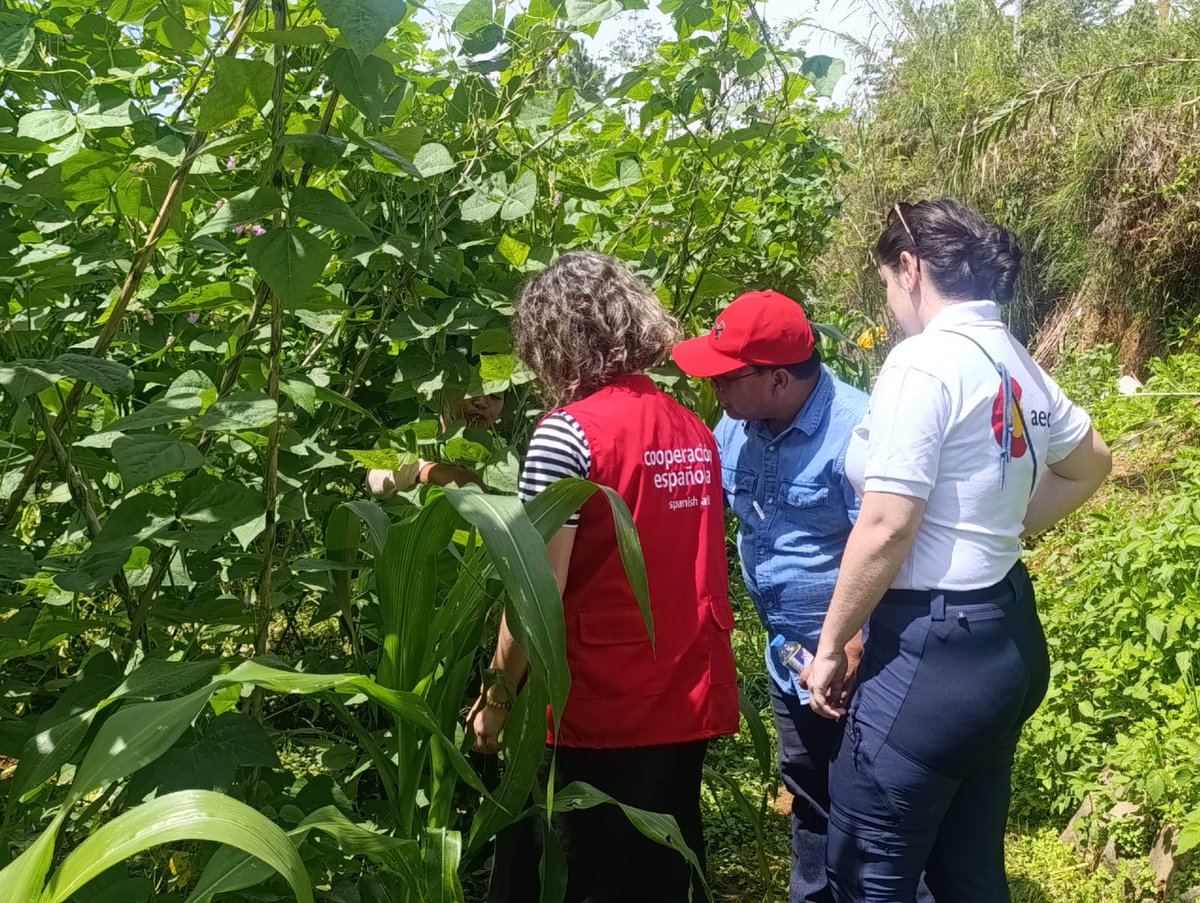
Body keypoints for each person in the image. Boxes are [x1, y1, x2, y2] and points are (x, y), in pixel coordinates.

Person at [806, 199, 1112, 902]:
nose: (890, 301)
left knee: (867, 874)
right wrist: (1006, 527)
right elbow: (1091, 460)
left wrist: (831, 643)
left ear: (911, 268)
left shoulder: (924, 362)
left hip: (930, 654)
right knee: (969, 874)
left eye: (886, 282)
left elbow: (886, 523)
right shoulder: (1013, 356)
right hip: (1005, 641)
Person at [469, 250, 740, 903]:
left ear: (551, 338)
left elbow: (538, 594)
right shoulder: (693, 428)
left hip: (594, 711)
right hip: (682, 698)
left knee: (568, 878)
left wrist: (497, 700)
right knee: (659, 872)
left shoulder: (567, 436)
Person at [674, 291, 880, 903]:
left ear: (780, 378)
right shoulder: (740, 425)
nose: (716, 390)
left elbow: (890, 548)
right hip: (790, 653)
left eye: (727, 377)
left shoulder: (859, 431)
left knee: (871, 805)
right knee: (809, 789)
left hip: (860, 659)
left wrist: (851, 647)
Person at [366, 390, 504, 495]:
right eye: (471, 390)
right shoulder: (414, 435)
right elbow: (375, 480)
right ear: (443, 390)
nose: (481, 402)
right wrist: (429, 472)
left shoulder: (500, 452)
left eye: (495, 396)